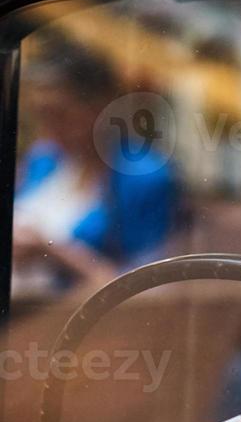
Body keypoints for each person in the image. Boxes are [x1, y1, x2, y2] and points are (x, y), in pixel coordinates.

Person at [12, 39, 176, 296]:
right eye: (40, 115)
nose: (49, 128)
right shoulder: (44, 158)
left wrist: (53, 252)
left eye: (60, 114)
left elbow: (149, 293)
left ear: (100, 105)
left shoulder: (143, 176)